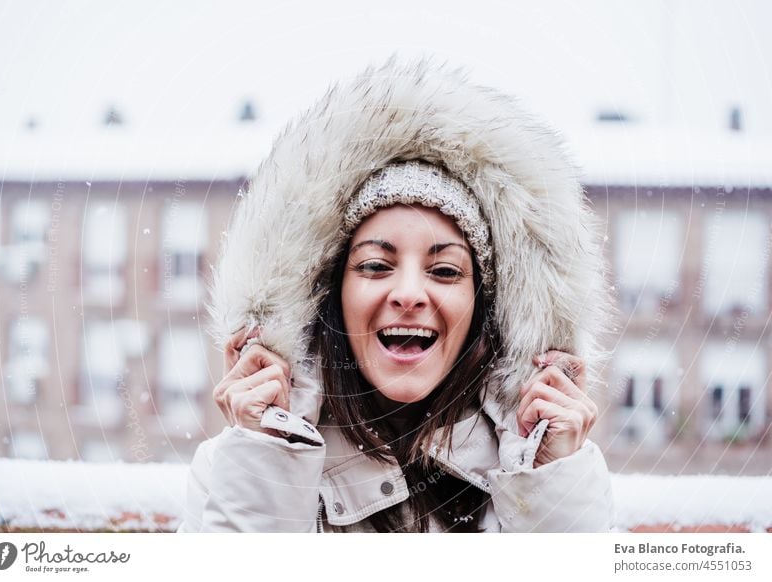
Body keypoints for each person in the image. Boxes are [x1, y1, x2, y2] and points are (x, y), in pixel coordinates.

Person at [179, 59, 614, 533]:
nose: (408, 293)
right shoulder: (238, 463)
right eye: (375, 266)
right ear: (331, 297)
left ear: (483, 311)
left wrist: (551, 486)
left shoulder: (550, 473)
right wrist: (268, 460)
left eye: (444, 270)